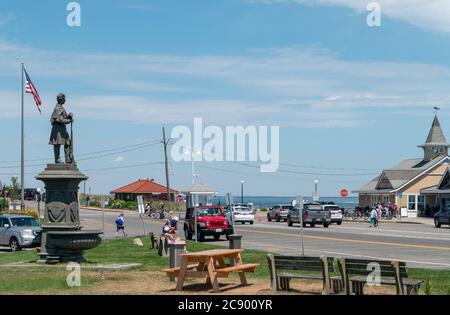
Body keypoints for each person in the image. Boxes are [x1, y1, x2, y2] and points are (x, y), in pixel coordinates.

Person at [49, 93, 73, 164]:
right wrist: (69, 121)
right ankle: (57, 159)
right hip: (58, 129)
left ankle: (68, 158)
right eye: (64, 99)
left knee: (68, 142)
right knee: (57, 144)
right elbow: (58, 119)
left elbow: (62, 118)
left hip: (61, 129)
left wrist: (69, 117)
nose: (65, 100)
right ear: (61, 99)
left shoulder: (61, 108)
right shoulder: (58, 108)